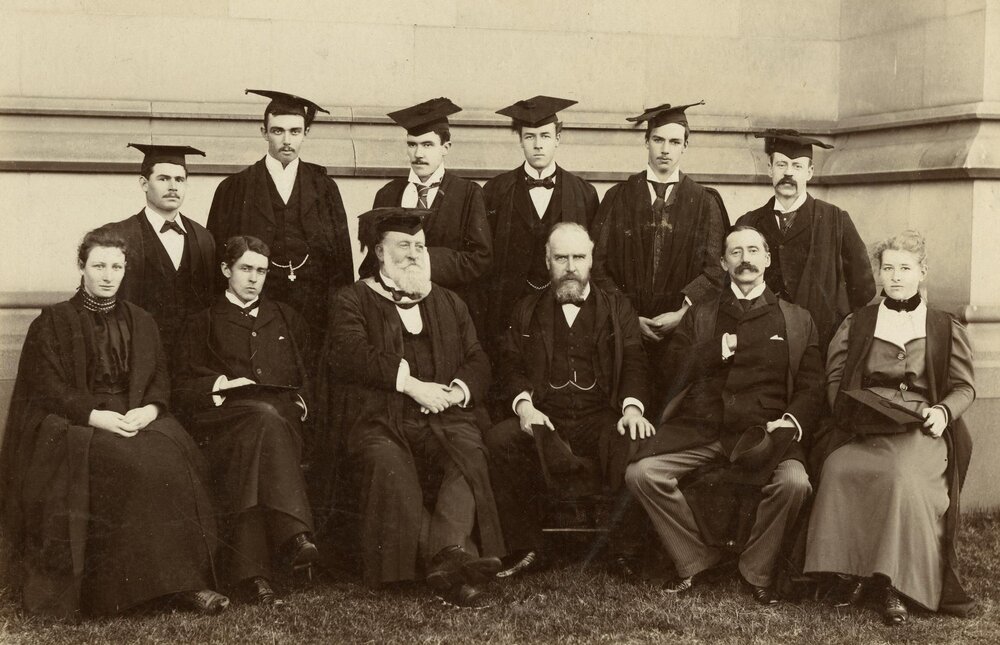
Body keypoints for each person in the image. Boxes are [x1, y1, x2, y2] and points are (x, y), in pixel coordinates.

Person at [0, 227, 228, 619]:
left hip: (136, 413)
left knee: (174, 459)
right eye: (99, 265)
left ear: (126, 270)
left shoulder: (141, 320)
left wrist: (152, 410)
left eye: (117, 266)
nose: (108, 275)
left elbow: (159, 378)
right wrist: (95, 416)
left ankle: (186, 581)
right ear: (81, 266)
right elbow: (49, 388)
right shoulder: (52, 322)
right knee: (135, 467)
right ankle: (139, 590)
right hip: (80, 422)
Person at [625, 226, 824, 604]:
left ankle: (756, 570)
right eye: (735, 252)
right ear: (722, 263)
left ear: (767, 259)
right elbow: (670, 371)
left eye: (753, 250)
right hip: (704, 429)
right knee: (642, 474)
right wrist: (715, 350)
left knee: (795, 483)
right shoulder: (700, 315)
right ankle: (698, 559)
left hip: (766, 433)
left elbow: (812, 385)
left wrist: (791, 421)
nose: (745, 259)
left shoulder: (796, 319)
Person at [327, 207, 503, 606]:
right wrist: (411, 386)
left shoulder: (449, 301)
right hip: (379, 417)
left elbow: (477, 356)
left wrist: (457, 391)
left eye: (420, 245)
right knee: (389, 466)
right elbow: (351, 354)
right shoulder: (352, 299)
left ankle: (445, 558)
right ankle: (457, 562)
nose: (413, 253)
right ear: (378, 251)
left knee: (468, 454)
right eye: (403, 245)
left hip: (445, 413)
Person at [804, 230, 975, 625]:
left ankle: (894, 583)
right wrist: (847, 413)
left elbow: (965, 386)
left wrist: (944, 412)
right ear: (879, 274)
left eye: (904, 268)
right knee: (838, 468)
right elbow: (835, 378)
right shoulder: (859, 321)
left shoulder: (943, 326)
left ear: (922, 272)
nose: (895, 277)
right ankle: (849, 573)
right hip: (865, 422)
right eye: (888, 268)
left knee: (900, 476)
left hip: (921, 426)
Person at [487, 223, 653, 579]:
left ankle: (625, 550)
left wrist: (632, 408)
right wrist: (525, 406)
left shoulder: (617, 307)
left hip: (601, 416)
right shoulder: (527, 309)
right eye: (561, 258)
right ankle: (528, 547)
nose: (571, 266)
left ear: (592, 259)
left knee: (632, 437)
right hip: (548, 417)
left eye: (579, 257)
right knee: (500, 440)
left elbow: (636, 359)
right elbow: (510, 363)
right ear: (547, 261)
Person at [173, 235, 317, 606]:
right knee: (258, 422)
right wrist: (221, 383)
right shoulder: (203, 321)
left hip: (279, 429)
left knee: (261, 433)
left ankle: (254, 577)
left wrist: (300, 404)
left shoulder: (285, 317)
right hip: (223, 426)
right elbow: (182, 387)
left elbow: (310, 379)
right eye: (245, 269)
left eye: (261, 271)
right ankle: (295, 534)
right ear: (226, 270)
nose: (254, 278)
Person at [591, 101, 729, 406]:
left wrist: (682, 314)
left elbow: (716, 269)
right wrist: (629, 317)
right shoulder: (618, 197)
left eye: (674, 142)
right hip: (625, 329)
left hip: (683, 333)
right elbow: (597, 266)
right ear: (646, 142)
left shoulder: (704, 202)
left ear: (685, 147)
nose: (665, 149)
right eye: (658, 140)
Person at [207, 89, 355, 340]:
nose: (287, 140)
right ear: (264, 132)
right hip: (255, 310)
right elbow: (216, 263)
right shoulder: (234, 188)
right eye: (278, 131)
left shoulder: (324, 188)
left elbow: (341, 261)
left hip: (314, 312)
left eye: (295, 131)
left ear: (306, 133)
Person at [478, 96, 599, 360]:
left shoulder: (584, 193)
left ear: (558, 138)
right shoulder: (495, 190)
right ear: (520, 140)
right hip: (508, 305)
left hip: (563, 298)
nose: (537, 145)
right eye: (529, 137)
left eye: (545, 136)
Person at [735, 129, 875, 350]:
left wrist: (834, 318)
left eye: (797, 166)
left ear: (809, 172)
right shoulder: (750, 222)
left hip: (820, 341)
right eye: (781, 165)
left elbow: (863, 287)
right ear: (770, 169)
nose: (788, 173)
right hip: (761, 342)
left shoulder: (835, 220)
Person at [367, 98, 492, 305]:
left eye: (427, 145)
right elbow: (373, 256)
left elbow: (480, 260)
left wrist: (420, 258)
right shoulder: (387, 194)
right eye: (412, 145)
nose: (418, 154)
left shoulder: (468, 194)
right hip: (394, 308)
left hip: (448, 306)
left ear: (445, 147)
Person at [104, 143, 216, 365]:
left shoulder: (203, 238)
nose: (173, 186)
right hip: (136, 356)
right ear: (144, 183)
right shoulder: (119, 236)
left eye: (179, 179)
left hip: (191, 360)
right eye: (163, 179)